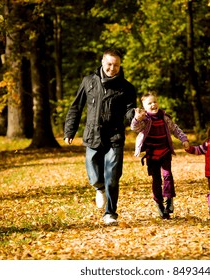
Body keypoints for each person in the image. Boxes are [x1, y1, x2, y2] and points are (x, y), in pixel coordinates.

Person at [64, 49, 137, 226]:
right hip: (92, 135)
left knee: (112, 176)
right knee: (95, 175)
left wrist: (135, 115)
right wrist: (69, 131)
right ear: (102, 62)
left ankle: (110, 213)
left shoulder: (127, 88)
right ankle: (99, 188)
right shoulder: (88, 82)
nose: (112, 68)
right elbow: (76, 107)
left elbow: (129, 112)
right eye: (109, 64)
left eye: (116, 65)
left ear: (120, 66)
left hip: (115, 136)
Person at [131, 91, 189, 219]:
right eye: (149, 103)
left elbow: (175, 129)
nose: (153, 105)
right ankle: (159, 203)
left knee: (167, 175)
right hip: (151, 154)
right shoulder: (144, 120)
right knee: (156, 179)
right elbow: (134, 128)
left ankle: (169, 199)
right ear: (144, 107)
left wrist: (183, 139)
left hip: (165, 151)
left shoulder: (164, 117)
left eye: (155, 102)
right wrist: (136, 119)